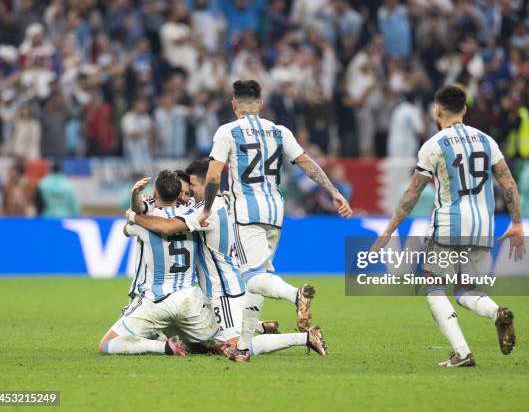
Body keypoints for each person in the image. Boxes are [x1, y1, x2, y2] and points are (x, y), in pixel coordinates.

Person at [197, 80, 352, 362]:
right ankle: (243, 346)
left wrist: (206, 208)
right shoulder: (279, 131)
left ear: (234, 105)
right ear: (261, 104)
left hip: (246, 214)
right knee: (260, 276)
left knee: (251, 277)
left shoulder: (227, 132)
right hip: (275, 213)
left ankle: (296, 295)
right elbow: (307, 163)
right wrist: (334, 192)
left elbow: (212, 176)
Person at [372, 85, 525, 367]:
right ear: (465, 110)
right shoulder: (487, 141)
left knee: (433, 286)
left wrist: (389, 229)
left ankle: (462, 353)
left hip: (450, 224)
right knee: (467, 291)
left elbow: (412, 193)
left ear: (437, 110)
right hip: (482, 227)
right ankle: (496, 312)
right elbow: (508, 182)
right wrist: (516, 222)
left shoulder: (433, 145)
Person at [127, 159, 328, 359]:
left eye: (193, 187)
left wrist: (135, 217)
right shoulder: (227, 201)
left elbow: (168, 227)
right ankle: (262, 325)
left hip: (223, 290)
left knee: (238, 346)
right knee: (204, 338)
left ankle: (306, 338)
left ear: (208, 183)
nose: (186, 194)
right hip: (231, 281)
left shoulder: (206, 211)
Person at [99, 170, 222, 356]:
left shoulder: (145, 222)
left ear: (154, 192)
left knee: (107, 344)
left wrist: (134, 205)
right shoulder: (192, 215)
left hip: (157, 301)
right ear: (180, 192)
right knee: (219, 341)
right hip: (191, 301)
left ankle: (162, 346)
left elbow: (127, 227)